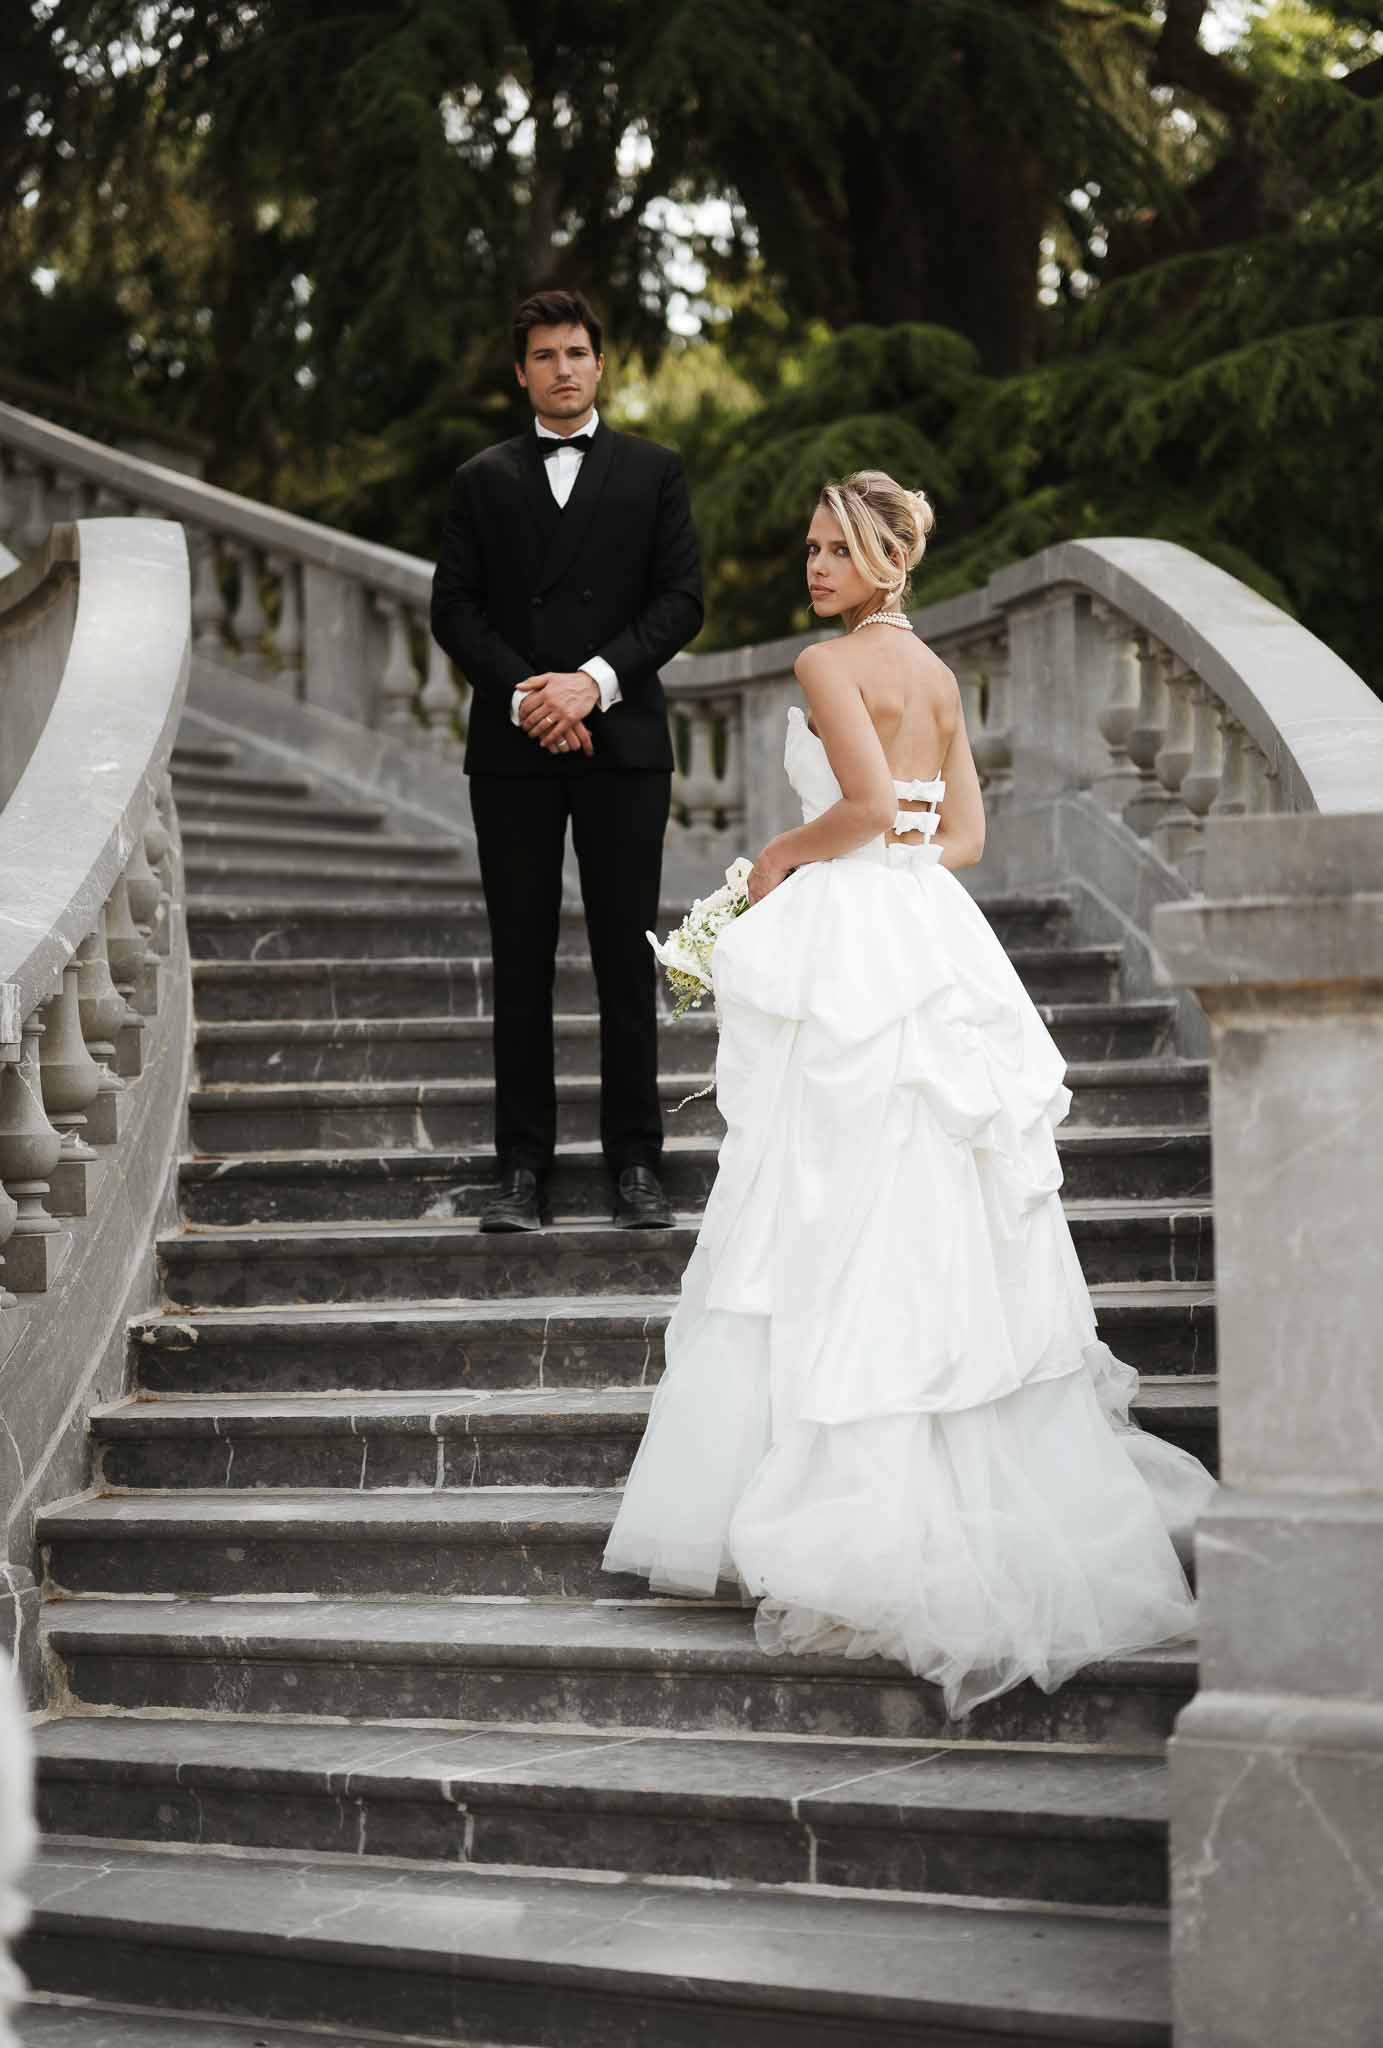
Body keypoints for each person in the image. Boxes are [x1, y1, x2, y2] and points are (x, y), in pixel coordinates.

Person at [602, 469, 1215, 1718]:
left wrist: (778, 860)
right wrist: (891, 875)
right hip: (925, 925)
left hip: (859, 925)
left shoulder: (832, 669)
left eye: (837, 549)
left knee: (825, 1194)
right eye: (811, 544)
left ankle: (840, 1499)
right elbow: (961, 837)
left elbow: (867, 806)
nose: (815, 565)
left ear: (887, 559)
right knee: (920, 1194)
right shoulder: (936, 677)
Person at [431, 288, 704, 1232]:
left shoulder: (653, 470)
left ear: (600, 364)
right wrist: (529, 697)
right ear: (521, 371)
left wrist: (589, 682)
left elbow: (679, 601)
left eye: (576, 352)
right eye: (543, 355)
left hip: (622, 745)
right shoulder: (479, 479)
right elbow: (454, 610)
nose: (562, 368)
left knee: (628, 957)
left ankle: (635, 1163)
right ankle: (521, 1170)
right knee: (521, 958)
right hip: (512, 751)